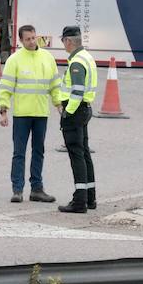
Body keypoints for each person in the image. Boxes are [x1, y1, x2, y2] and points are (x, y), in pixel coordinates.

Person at [0, 24, 61, 204]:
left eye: (34, 37)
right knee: (19, 153)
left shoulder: (47, 58)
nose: (32, 41)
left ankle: (37, 189)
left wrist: (59, 104)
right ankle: (17, 190)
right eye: (28, 39)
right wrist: (3, 111)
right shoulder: (14, 60)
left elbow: (55, 85)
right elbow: (6, 87)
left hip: (41, 113)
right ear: (21, 40)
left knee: (39, 151)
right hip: (22, 114)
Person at [55, 25, 98, 213]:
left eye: (63, 40)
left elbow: (77, 91)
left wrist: (67, 112)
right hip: (85, 110)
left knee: (76, 155)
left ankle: (79, 201)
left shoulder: (76, 62)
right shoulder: (86, 57)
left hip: (76, 112)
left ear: (68, 41)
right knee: (84, 153)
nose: (63, 44)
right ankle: (90, 197)